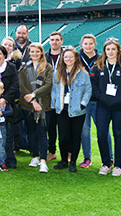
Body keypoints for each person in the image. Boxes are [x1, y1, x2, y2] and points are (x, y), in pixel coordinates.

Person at [91, 39, 121, 177]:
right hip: (103, 107)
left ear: (118, 51)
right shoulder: (97, 67)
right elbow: (93, 88)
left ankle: (117, 165)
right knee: (101, 135)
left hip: (120, 107)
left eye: (113, 49)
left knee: (118, 134)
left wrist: (120, 99)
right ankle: (106, 164)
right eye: (107, 49)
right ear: (104, 51)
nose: (110, 52)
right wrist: (103, 98)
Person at [51, 47, 91, 173]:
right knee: (63, 137)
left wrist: (82, 104)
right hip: (62, 109)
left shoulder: (83, 73)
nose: (68, 59)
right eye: (66, 57)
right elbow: (54, 90)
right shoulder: (57, 73)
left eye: (71, 57)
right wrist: (54, 104)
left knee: (75, 137)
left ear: (75, 58)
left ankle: (73, 161)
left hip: (77, 110)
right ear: (62, 58)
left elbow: (88, 90)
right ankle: (63, 160)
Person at [78, 34, 112, 169]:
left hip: (99, 100)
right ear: (82, 45)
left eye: (91, 43)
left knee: (103, 130)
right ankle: (87, 157)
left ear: (95, 44)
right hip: (82, 101)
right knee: (84, 130)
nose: (88, 46)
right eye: (85, 44)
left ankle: (109, 157)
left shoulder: (102, 58)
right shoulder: (76, 58)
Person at [18, 43, 53, 173]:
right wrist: (33, 101)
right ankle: (35, 156)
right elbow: (21, 86)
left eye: (37, 51)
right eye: (32, 51)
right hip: (28, 105)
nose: (34, 54)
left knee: (42, 132)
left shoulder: (48, 67)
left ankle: (43, 161)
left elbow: (49, 85)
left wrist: (34, 95)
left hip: (43, 105)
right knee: (31, 131)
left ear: (41, 52)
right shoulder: (23, 68)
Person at [45, 31, 64, 162]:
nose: (54, 42)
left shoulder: (67, 56)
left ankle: (67, 152)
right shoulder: (45, 56)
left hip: (64, 95)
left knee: (64, 126)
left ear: (61, 41)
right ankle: (52, 151)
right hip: (48, 96)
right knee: (50, 126)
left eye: (57, 40)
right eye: (52, 40)